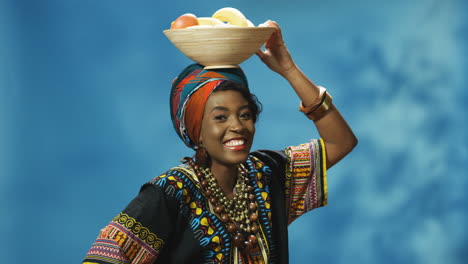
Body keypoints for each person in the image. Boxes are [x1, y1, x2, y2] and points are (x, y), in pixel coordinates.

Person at [82, 20, 357, 264]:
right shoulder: (172, 193)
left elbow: (340, 142)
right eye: (220, 117)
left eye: (245, 114)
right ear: (196, 130)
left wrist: (289, 69)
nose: (237, 126)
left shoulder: (266, 173)